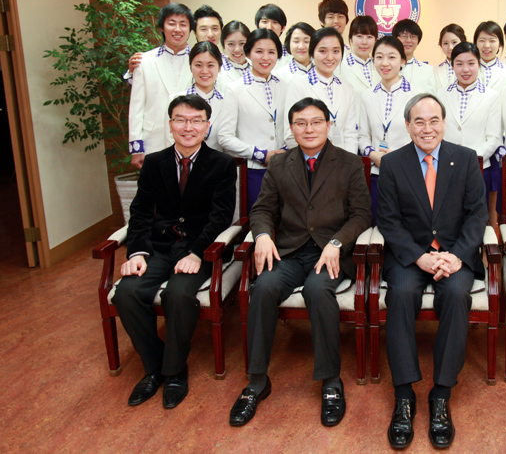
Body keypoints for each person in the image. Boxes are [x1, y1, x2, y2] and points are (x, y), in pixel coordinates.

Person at [228, 97, 372, 428]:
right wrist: (262, 236)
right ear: (291, 128)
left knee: (317, 291)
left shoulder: (349, 163)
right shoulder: (280, 164)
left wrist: (337, 243)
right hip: (289, 252)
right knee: (262, 288)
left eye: (316, 122)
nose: (309, 129)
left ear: (328, 125)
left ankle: (331, 381)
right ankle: (256, 381)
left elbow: (362, 214)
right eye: (301, 123)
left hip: (330, 253)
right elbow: (262, 209)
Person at [377, 93, 487, 449]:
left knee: (456, 294)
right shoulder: (392, 163)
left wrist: (458, 255)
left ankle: (441, 393)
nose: (427, 128)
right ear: (408, 125)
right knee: (401, 294)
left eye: (434, 120)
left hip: (454, 253)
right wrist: (418, 256)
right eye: (419, 121)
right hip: (410, 256)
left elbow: (477, 215)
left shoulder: (466, 158)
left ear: (444, 123)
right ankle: (404, 394)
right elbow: (388, 220)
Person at [113, 94, 236, 410]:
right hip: (160, 247)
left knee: (178, 295)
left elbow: (220, 217)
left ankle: (175, 371)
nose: (188, 127)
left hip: (201, 249)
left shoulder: (222, 165)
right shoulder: (154, 163)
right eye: (181, 120)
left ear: (207, 126)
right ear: (170, 125)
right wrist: (137, 253)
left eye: (196, 121)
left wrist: (196, 253)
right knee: (126, 293)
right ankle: (154, 366)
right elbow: (140, 211)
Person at [216, 28, 287, 212]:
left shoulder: (286, 86)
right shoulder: (235, 89)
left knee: (285, 220)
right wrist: (260, 154)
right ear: (248, 53)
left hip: (285, 168)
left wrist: (285, 151)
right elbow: (224, 137)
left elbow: (293, 126)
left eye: (271, 52)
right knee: (257, 218)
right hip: (253, 170)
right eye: (259, 51)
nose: (265, 58)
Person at [438, 41, 501, 223]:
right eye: (459, 64)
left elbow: (494, 138)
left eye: (471, 63)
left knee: (476, 220)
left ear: (479, 64)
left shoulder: (491, 96)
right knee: (447, 219)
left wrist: (470, 159)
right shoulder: (440, 94)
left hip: (479, 168)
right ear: (452, 66)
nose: (465, 69)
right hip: (445, 167)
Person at [128, 3, 195, 169]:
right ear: (161, 27)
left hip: (191, 139)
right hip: (153, 141)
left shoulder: (200, 61)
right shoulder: (144, 61)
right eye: (171, 23)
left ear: (190, 29)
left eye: (183, 24)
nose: (177, 29)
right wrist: (136, 148)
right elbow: (136, 106)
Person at [357, 36, 415, 221]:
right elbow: (362, 136)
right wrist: (373, 154)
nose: (385, 63)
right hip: (376, 172)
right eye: (379, 57)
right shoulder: (367, 96)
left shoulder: (417, 95)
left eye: (392, 57)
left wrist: (398, 157)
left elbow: (423, 137)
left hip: (408, 172)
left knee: (407, 224)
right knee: (377, 224)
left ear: (403, 61)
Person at [284, 27, 358, 154]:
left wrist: (348, 161)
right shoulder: (297, 85)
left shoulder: (347, 88)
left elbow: (350, 133)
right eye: (323, 51)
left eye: (336, 51)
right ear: (312, 53)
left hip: (342, 159)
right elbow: (290, 134)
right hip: (310, 160)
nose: (330, 57)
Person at [180, 41, 230, 152]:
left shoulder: (227, 102)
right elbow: (170, 142)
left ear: (219, 67)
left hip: (218, 161)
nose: (204, 71)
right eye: (198, 65)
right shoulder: (176, 100)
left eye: (210, 65)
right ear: (190, 67)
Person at [338, 15, 380, 98]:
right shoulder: (340, 68)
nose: (364, 42)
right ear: (350, 39)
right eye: (359, 36)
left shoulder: (380, 66)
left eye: (369, 37)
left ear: (375, 40)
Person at [392, 18, 435, 93]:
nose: (408, 40)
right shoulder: (387, 67)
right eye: (404, 35)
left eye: (412, 36)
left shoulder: (427, 70)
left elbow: (431, 96)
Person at [474, 20, 506, 89]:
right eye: (482, 40)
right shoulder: (467, 71)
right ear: (475, 43)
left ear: (500, 44)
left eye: (492, 41)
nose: (486, 46)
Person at [433, 23, 467, 90]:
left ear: (463, 42)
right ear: (440, 45)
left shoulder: (471, 68)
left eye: (454, 42)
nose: (450, 47)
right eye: (445, 43)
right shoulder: (434, 70)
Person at [218, 20, 251, 89]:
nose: (237, 49)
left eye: (242, 43)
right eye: (231, 44)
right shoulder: (218, 71)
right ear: (223, 45)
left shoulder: (257, 67)